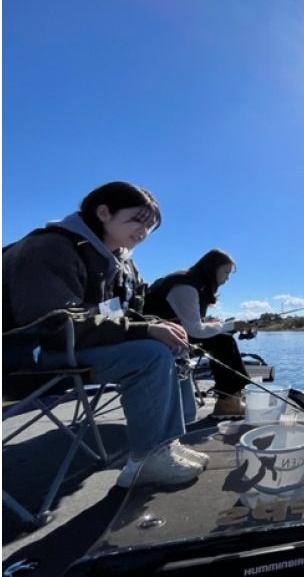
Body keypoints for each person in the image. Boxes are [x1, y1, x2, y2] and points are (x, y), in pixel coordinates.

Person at [3, 181, 209, 487]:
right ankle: (146, 462)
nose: (144, 232)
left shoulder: (124, 264)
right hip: (26, 354)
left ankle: (166, 445)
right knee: (149, 355)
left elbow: (122, 315)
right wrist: (144, 329)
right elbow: (54, 324)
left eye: (150, 226)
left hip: (76, 345)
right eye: (137, 220)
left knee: (172, 344)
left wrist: (159, 326)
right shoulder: (48, 248)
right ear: (103, 213)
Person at [144, 249, 252, 419]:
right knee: (223, 342)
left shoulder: (194, 283)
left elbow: (190, 324)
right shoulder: (185, 286)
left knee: (222, 339)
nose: (227, 278)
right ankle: (228, 401)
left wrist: (224, 324)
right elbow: (195, 330)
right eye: (226, 272)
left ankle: (230, 397)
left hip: (171, 332)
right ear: (212, 268)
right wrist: (230, 325)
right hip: (155, 336)